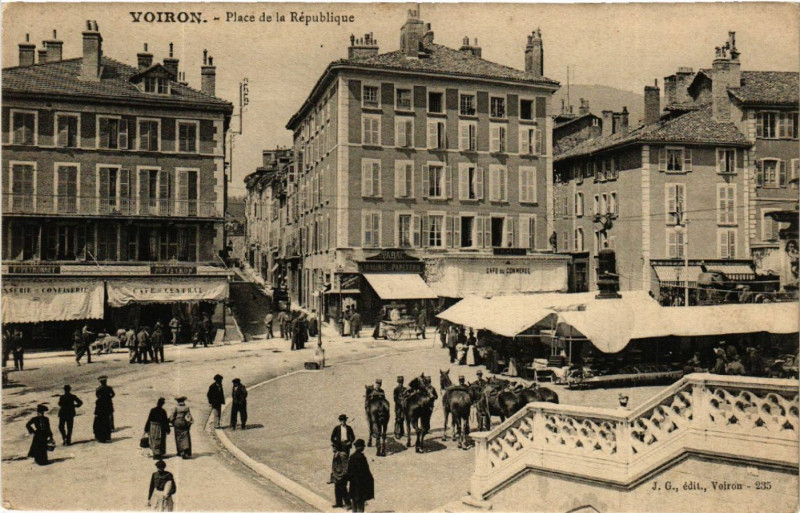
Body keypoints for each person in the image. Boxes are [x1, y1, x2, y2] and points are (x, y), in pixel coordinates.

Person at [346, 439, 374, 512]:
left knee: (354, 502)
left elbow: (348, 471)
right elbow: (366, 472)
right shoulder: (362, 458)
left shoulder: (352, 457)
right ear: (361, 447)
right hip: (361, 485)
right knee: (360, 504)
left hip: (353, 484)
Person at [329, 414, 355, 484]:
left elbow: (353, 437)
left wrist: (349, 442)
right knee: (336, 462)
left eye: (344, 420)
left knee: (345, 461)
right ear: (340, 421)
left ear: (346, 420)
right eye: (341, 420)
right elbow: (332, 438)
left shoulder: (349, 428)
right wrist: (336, 444)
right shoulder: (337, 428)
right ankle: (333, 477)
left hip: (346, 447)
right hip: (338, 447)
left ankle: (345, 477)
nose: (343, 421)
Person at [94, 375, 115, 442]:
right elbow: (113, 394)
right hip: (108, 404)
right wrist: (109, 398)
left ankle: (101, 436)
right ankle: (109, 433)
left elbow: (97, 396)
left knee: (101, 422)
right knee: (109, 419)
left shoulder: (98, 389)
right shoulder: (109, 388)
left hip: (101, 408)